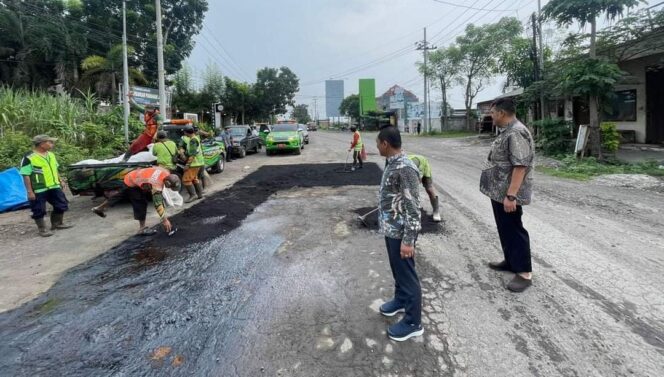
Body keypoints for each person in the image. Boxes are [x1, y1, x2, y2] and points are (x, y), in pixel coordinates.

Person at [480, 97, 535, 293]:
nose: (491, 116)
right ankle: (511, 261)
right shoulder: (508, 131)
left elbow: (520, 166)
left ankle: (524, 273)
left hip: (509, 194)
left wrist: (511, 196)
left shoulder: (517, 133)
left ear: (502, 113)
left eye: (493, 113)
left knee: (514, 229)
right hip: (500, 192)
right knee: (505, 228)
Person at [375, 126, 423, 342]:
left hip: (402, 232)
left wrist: (409, 240)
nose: (376, 146)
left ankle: (413, 322)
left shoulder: (405, 168)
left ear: (385, 143)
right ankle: (401, 300)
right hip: (391, 228)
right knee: (397, 270)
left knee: (407, 274)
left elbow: (413, 207)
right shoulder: (392, 162)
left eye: (378, 143)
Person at [20, 135, 74, 237]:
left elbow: (55, 168)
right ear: (41, 144)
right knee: (38, 209)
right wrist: (29, 191)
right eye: (49, 142)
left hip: (54, 186)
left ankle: (57, 224)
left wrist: (60, 180)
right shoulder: (28, 157)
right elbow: (25, 174)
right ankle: (42, 229)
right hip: (39, 188)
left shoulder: (51, 155)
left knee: (61, 204)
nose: (52, 144)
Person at [122, 167, 179, 235]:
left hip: (141, 177)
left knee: (153, 196)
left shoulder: (167, 172)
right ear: (167, 182)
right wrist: (165, 220)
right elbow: (157, 203)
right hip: (131, 180)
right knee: (141, 203)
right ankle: (142, 229)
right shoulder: (155, 183)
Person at [122, 94, 162, 161]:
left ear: (153, 110)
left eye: (149, 110)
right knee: (135, 145)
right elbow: (137, 106)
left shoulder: (158, 116)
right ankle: (125, 159)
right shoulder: (145, 112)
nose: (148, 111)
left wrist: (155, 135)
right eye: (147, 110)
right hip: (147, 134)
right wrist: (130, 98)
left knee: (157, 149)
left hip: (155, 135)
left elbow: (160, 126)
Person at [407, 154, 441, 222]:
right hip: (410, 168)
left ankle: (436, 212)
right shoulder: (396, 167)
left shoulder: (412, 166)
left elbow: (418, 181)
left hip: (422, 164)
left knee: (429, 189)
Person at [180, 126, 205, 203]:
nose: (184, 133)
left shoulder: (193, 140)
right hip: (198, 162)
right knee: (194, 178)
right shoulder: (195, 138)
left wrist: (187, 165)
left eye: (184, 132)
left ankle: (193, 195)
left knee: (186, 180)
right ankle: (199, 194)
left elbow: (193, 154)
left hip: (194, 163)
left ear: (186, 132)